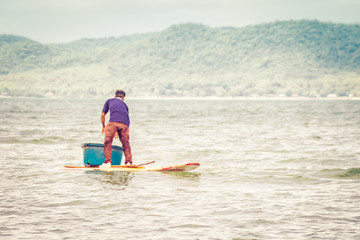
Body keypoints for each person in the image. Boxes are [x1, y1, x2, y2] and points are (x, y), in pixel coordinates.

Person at [100, 90, 132, 168]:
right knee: (126, 143)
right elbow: (124, 117)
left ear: (115, 96)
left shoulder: (109, 101)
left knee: (108, 141)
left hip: (113, 122)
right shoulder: (125, 105)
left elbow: (102, 115)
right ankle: (128, 162)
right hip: (125, 124)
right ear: (123, 98)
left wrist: (103, 126)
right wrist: (117, 132)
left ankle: (107, 162)